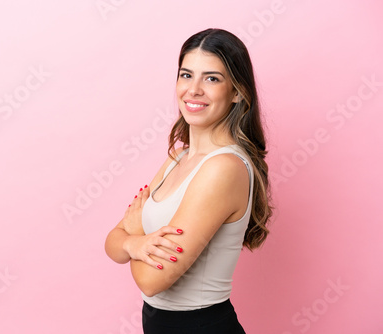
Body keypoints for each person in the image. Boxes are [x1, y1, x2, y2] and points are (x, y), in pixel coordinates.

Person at [104, 28, 272, 334]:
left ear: (237, 92)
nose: (193, 90)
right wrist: (133, 243)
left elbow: (152, 281)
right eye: (186, 75)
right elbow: (112, 244)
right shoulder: (178, 158)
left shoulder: (224, 168)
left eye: (212, 78)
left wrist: (136, 231)